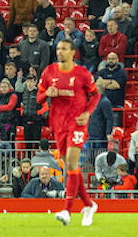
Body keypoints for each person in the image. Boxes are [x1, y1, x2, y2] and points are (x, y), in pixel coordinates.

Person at [37, 39, 100, 226]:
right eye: (58, 49)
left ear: (73, 53)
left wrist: (87, 113)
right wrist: (48, 92)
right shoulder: (49, 72)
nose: (60, 52)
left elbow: (95, 94)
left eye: (64, 49)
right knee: (71, 167)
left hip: (77, 123)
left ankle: (67, 210)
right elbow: (39, 97)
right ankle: (88, 205)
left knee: (71, 163)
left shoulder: (82, 73)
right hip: (58, 124)